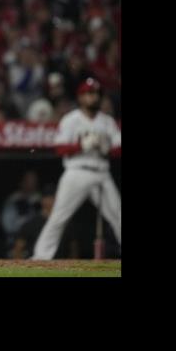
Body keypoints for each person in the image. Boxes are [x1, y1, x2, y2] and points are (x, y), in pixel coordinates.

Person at [31, 77, 122, 260]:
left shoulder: (107, 121)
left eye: (95, 93)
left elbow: (119, 148)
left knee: (118, 216)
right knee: (59, 217)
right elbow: (59, 148)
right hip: (77, 172)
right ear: (80, 97)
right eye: (88, 93)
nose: (93, 97)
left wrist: (107, 149)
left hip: (102, 173)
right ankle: (40, 257)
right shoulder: (71, 120)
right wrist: (81, 146)